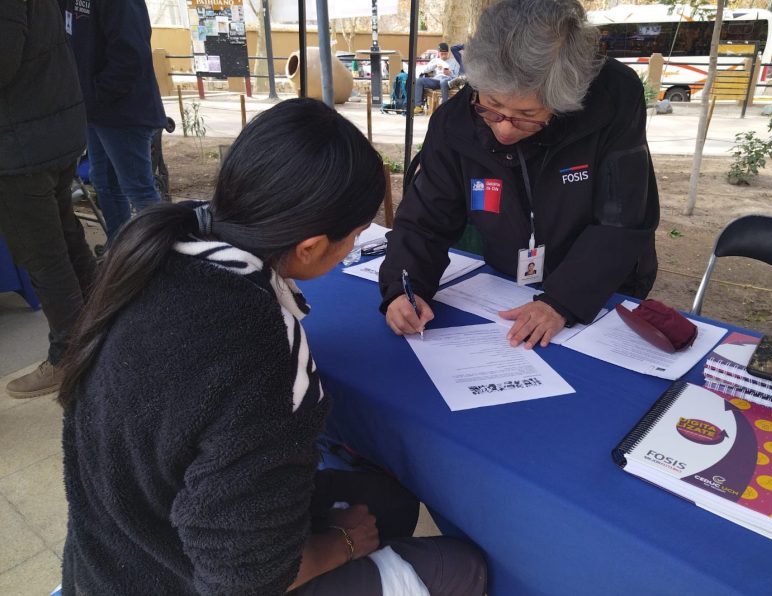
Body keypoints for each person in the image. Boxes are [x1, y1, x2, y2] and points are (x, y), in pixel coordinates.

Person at [59, 99, 487, 595]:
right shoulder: (259, 346)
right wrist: (342, 544)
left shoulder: (154, 250)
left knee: (387, 499)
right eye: (353, 236)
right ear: (309, 247)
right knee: (462, 567)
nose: (356, 245)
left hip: (118, 552)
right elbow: (244, 579)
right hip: (178, 578)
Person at [381, 0, 659, 349]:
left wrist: (562, 301)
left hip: (600, 282)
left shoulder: (613, 97)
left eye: (527, 114)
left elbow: (622, 218)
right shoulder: (456, 122)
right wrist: (405, 287)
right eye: (492, 106)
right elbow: (425, 218)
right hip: (508, 284)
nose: (505, 130)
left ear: (564, 100)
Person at [0, 0, 97, 398]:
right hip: (48, 132)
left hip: (22, 145)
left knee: (45, 254)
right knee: (66, 238)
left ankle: (70, 357)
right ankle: (100, 333)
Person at [63, 0, 168, 240]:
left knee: (138, 189)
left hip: (123, 111)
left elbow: (131, 55)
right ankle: (121, 247)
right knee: (104, 181)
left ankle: (164, 255)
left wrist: (97, 94)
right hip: (94, 109)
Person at [413, 42, 461, 114]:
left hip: (448, 80)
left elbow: (457, 76)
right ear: (438, 53)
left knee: (443, 81)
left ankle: (444, 106)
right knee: (419, 81)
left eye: (445, 54)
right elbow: (425, 70)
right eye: (442, 54)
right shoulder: (435, 60)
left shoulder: (454, 61)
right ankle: (418, 106)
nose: (444, 56)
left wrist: (449, 73)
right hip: (436, 80)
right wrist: (435, 65)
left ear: (448, 53)